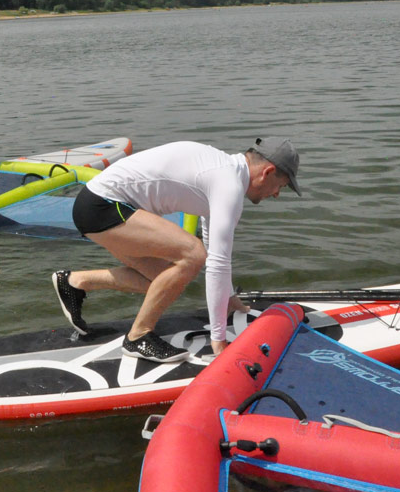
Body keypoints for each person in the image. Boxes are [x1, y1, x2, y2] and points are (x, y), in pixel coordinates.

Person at [51, 138, 301, 363]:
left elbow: (217, 249)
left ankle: (76, 282)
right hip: (103, 205)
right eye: (282, 186)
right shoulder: (229, 183)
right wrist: (219, 340)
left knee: (166, 284)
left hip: (94, 206)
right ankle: (138, 337)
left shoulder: (223, 171)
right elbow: (216, 261)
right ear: (268, 171)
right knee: (193, 254)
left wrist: (230, 300)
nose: (277, 194)